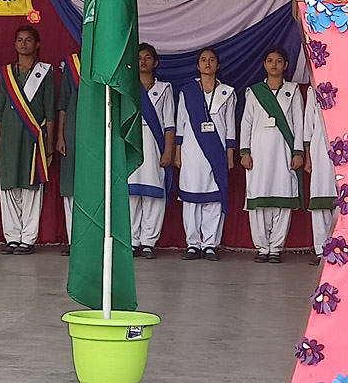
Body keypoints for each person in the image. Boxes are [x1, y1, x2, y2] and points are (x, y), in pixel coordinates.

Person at [240, 47, 304, 263]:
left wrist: (298, 152)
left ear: (285, 65)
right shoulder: (254, 91)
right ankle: (262, 247)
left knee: (282, 197)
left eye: (278, 61)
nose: (273, 65)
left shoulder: (293, 91)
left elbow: (299, 123)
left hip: (283, 151)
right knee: (258, 198)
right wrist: (245, 151)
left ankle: (276, 247)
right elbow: (246, 122)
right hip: (258, 152)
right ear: (264, 65)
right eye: (269, 61)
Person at [0, 25, 54, 255]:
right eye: (19, 40)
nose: (24, 44)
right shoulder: (6, 73)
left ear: (37, 44)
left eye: (28, 40)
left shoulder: (44, 72)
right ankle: (12, 237)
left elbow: (49, 109)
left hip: (33, 137)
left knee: (30, 187)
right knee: (8, 185)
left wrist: (49, 143)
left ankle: (27, 238)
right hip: (8, 136)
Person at [175, 48, 236, 261]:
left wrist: (230, 155)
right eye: (203, 60)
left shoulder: (227, 92)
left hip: (217, 152)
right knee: (191, 199)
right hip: (191, 152)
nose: (207, 63)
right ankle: (193, 244)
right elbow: (180, 124)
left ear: (218, 65)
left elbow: (230, 126)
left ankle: (210, 244)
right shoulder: (187, 91)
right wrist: (177, 153)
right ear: (198, 66)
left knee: (214, 199)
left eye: (211, 60)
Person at [129, 43, 175, 259]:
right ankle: (131, 240)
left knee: (153, 195)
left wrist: (168, 151)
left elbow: (169, 124)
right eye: (139, 57)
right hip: (132, 146)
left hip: (155, 146)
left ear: (155, 62)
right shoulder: (127, 87)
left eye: (148, 57)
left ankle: (148, 241)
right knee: (131, 195)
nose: (143, 61)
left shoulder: (165, 89)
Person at [304, 83, 338, 265]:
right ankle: (321, 249)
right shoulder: (314, 89)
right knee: (320, 195)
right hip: (319, 146)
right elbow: (309, 125)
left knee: (344, 196)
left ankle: (340, 246)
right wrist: (308, 156)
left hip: (345, 143)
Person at [56, 52, 80, 256]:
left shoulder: (106, 61)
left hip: (98, 132)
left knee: (94, 187)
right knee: (71, 185)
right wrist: (60, 135)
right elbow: (63, 103)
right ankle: (75, 241)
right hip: (72, 132)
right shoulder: (73, 64)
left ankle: (94, 240)